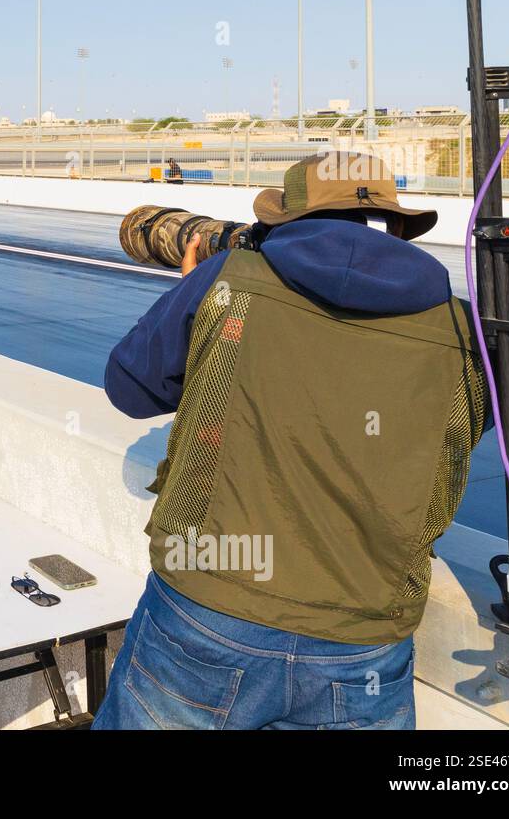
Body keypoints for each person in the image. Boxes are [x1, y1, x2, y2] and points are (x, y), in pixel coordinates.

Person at [93, 152, 488, 731]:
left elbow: (128, 388)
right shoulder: (461, 328)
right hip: (365, 636)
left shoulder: (229, 279)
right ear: (398, 227)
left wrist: (201, 296)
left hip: (210, 607)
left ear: (285, 220)